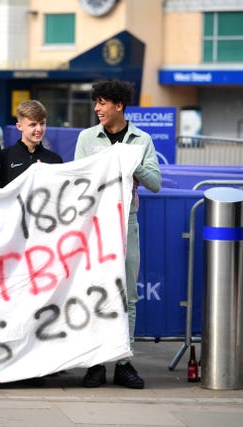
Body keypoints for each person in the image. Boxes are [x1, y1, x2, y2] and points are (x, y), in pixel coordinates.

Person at [74, 78, 161, 389]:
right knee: (95, 290)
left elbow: (154, 183)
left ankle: (124, 362)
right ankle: (95, 363)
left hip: (127, 223)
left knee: (128, 296)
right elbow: (78, 182)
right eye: (95, 102)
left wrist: (130, 163)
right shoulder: (86, 137)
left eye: (102, 103)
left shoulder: (142, 139)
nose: (97, 108)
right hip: (94, 225)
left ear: (118, 105)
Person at [0, 100, 63, 187]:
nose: (39, 129)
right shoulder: (4, 157)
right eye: (33, 125)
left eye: (42, 123)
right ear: (19, 126)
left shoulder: (54, 160)